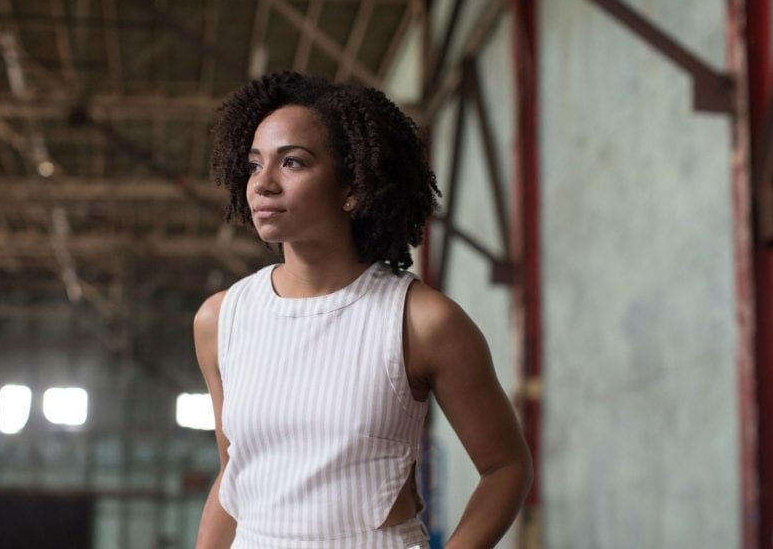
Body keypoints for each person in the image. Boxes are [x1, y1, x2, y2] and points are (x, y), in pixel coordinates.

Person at [193, 72, 532, 548]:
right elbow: (232, 475)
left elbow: (506, 467)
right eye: (253, 165)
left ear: (351, 186)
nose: (263, 184)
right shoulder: (220, 320)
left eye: (292, 162)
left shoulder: (422, 321)